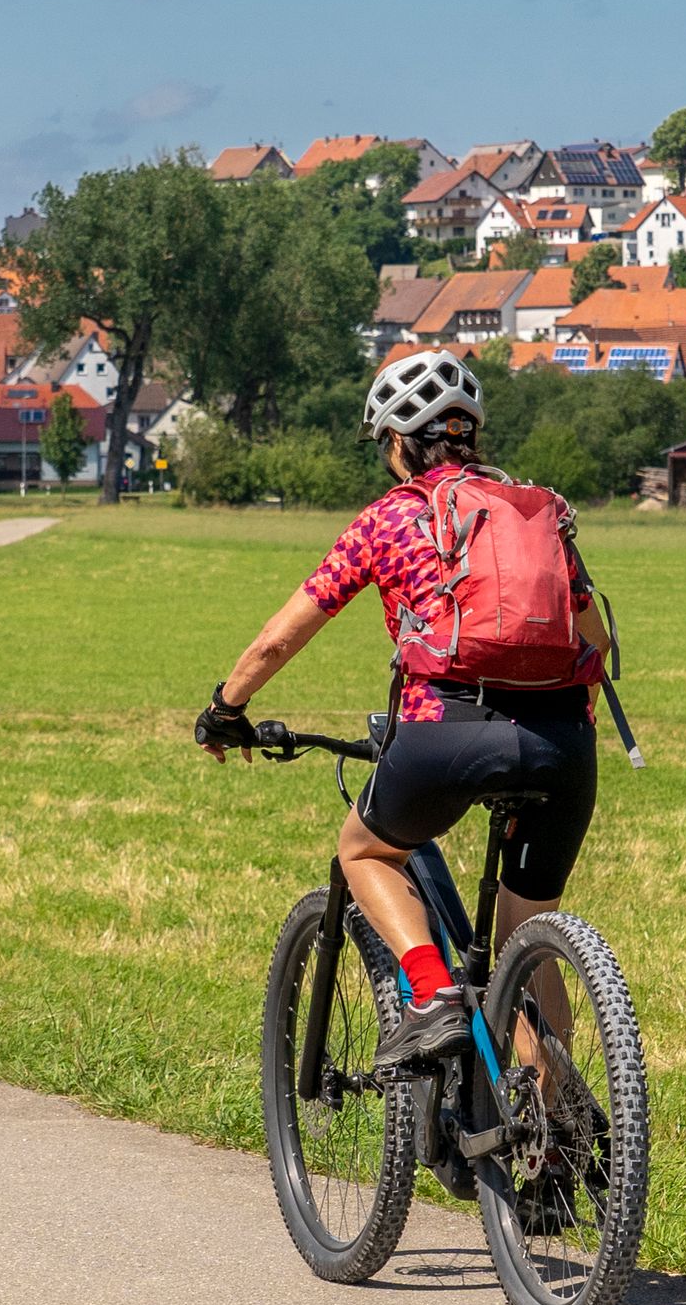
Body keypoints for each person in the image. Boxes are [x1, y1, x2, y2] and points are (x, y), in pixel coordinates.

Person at [196, 346, 609, 1074]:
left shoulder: (391, 517)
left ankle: (431, 997)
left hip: (443, 731)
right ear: (468, 435)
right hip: (562, 743)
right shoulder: (533, 509)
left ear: (395, 440)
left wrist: (226, 707)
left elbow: (280, 636)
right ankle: (558, 1127)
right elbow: (595, 638)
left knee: (364, 850)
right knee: (525, 930)